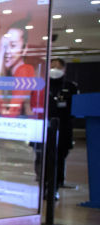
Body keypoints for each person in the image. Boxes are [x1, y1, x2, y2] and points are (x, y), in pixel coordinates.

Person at [39, 58, 80, 192]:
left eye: (57, 67)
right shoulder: (43, 85)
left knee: (60, 155)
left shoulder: (71, 86)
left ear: (64, 69)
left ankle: (57, 182)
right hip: (46, 126)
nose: (54, 70)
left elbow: (75, 107)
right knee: (45, 155)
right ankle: (45, 182)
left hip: (63, 127)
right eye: (52, 67)